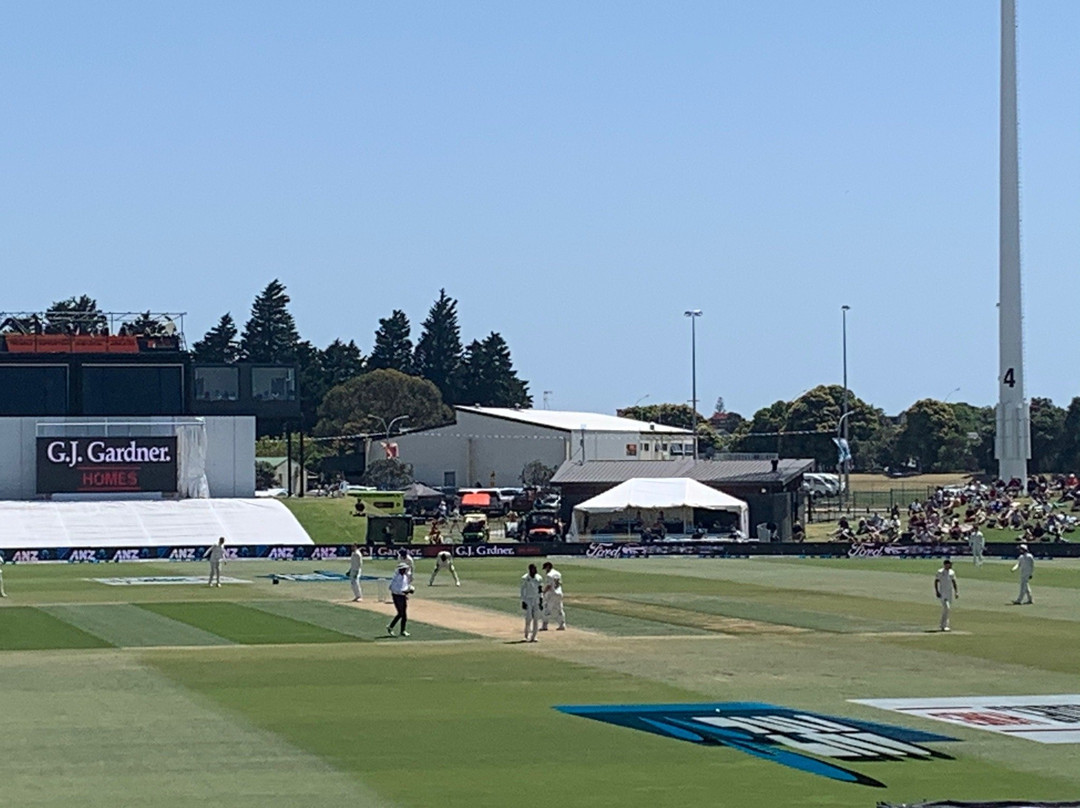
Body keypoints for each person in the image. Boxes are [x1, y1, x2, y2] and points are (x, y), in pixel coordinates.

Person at [386, 562, 414, 637]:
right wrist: (403, 592)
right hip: (397, 596)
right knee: (401, 613)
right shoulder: (397, 577)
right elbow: (392, 588)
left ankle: (402, 630)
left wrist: (408, 590)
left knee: (403, 614)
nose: (404, 570)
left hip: (402, 596)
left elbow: (405, 586)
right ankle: (391, 627)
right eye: (403, 569)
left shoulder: (405, 576)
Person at [520, 563, 544, 642]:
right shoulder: (525, 578)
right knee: (528, 618)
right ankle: (526, 636)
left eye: (535, 569)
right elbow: (523, 590)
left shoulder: (539, 578)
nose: (535, 570)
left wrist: (541, 601)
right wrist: (523, 601)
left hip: (536, 600)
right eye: (533, 569)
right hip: (528, 599)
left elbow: (540, 589)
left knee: (536, 619)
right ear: (530, 570)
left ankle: (534, 636)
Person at [934, 558, 959, 631]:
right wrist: (937, 591)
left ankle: (943, 625)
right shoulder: (940, 572)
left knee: (947, 609)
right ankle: (944, 625)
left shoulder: (952, 572)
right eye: (950, 564)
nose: (951, 565)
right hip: (942, 592)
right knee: (946, 608)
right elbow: (936, 581)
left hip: (949, 593)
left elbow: (954, 582)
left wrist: (956, 592)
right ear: (946, 564)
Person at [540, 561, 565, 631]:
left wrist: (543, 592)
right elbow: (560, 583)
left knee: (547, 609)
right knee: (559, 609)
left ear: (548, 567)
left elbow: (549, 586)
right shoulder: (558, 573)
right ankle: (562, 624)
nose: (545, 570)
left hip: (552, 594)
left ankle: (545, 625)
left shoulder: (549, 575)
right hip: (559, 593)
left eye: (545, 568)